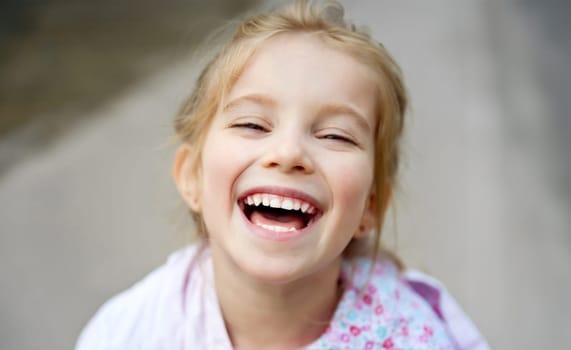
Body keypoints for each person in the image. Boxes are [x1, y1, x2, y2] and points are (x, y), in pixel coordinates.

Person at [76, 1, 489, 349]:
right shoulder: (131, 333)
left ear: (370, 206)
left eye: (335, 135)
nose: (289, 153)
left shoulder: (414, 337)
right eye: (252, 125)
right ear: (192, 177)